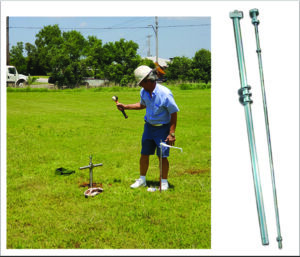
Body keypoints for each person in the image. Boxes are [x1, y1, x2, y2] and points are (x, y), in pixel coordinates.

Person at [116, 65, 179, 191]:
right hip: (149, 127)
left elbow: (174, 113)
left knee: (162, 156)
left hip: (162, 128)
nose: (140, 85)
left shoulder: (165, 94)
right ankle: (142, 180)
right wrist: (126, 106)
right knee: (144, 153)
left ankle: (164, 182)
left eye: (141, 83)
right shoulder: (143, 92)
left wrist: (171, 133)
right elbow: (142, 104)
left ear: (148, 80)